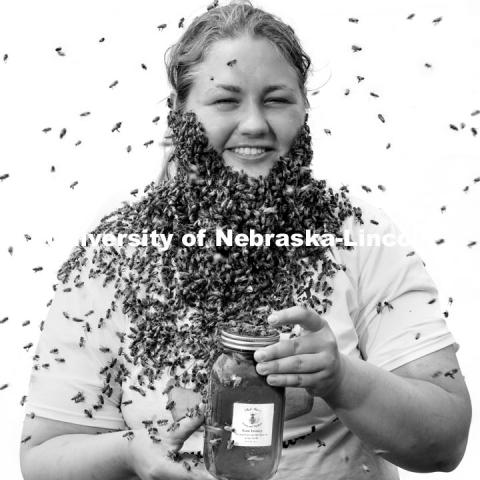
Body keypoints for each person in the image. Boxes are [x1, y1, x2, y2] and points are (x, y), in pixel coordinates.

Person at [19, 2, 471, 480]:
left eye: (276, 99)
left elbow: (446, 443)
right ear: (181, 115)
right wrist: (129, 451)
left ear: (305, 112)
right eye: (225, 100)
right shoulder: (117, 253)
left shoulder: (364, 237)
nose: (254, 123)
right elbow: (44, 457)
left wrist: (343, 381)